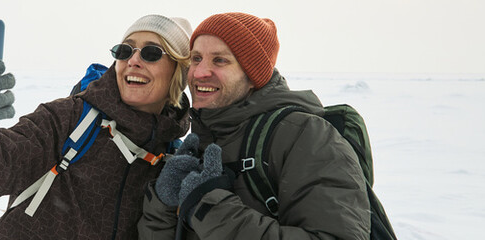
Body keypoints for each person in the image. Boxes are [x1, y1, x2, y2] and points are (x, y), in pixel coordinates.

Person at [0, 14, 193, 239]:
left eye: (151, 53)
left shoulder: (172, 157)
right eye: (125, 51)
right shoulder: (70, 118)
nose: (133, 60)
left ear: (178, 73)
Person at [137, 12, 370, 239]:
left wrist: (211, 208)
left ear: (252, 75)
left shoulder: (306, 136)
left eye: (220, 60)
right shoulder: (203, 137)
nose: (199, 72)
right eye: (196, 58)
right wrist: (163, 209)